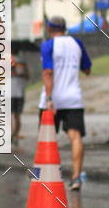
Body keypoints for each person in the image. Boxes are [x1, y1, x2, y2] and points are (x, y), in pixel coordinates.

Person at [38, 15, 91, 190]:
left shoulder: (48, 45)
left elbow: (47, 72)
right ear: (64, 28)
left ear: (49, 28)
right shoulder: (77, 44)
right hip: (73, 98)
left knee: (47, 139)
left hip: (52, 100)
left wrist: (49, 98)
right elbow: (87, 69)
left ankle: (49, 176)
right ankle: (76, 177)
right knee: (75, 138)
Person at [10, 49, 30, 144]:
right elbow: (27, 76)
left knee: (14, 116)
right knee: (16, 116)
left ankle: (13, 135)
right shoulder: (22, 63)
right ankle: (13, 135)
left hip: (14, 92)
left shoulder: (21, 62)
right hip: (16, 92)